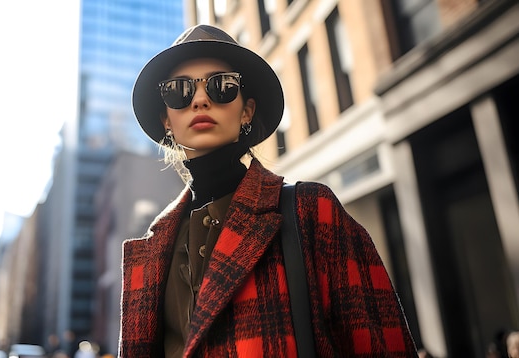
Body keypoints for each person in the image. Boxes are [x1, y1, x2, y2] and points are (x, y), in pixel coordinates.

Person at [120, 24, 417, 357]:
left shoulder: (311, 213)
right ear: (166, 120)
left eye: (222, 86)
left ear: (246, 110)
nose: (200, 99)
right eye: (179, 90)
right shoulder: (151, 249)